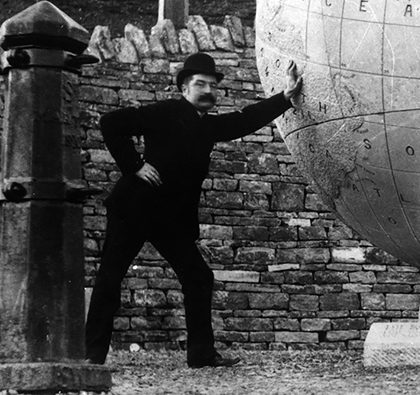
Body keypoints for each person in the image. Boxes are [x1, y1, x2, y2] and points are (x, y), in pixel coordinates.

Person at [86, 52, 302, 368]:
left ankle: (201, 354)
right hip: (134, 208)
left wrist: (285, 96)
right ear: (184, 88)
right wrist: (135, 165)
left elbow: (245, 119)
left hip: (169, 219)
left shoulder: (208, 126)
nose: (208, 91)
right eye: (200, 84)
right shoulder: (165, 111)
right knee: (110, 277)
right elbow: (111, 123)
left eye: (212, 85)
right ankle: (92, 356)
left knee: (199, 277)